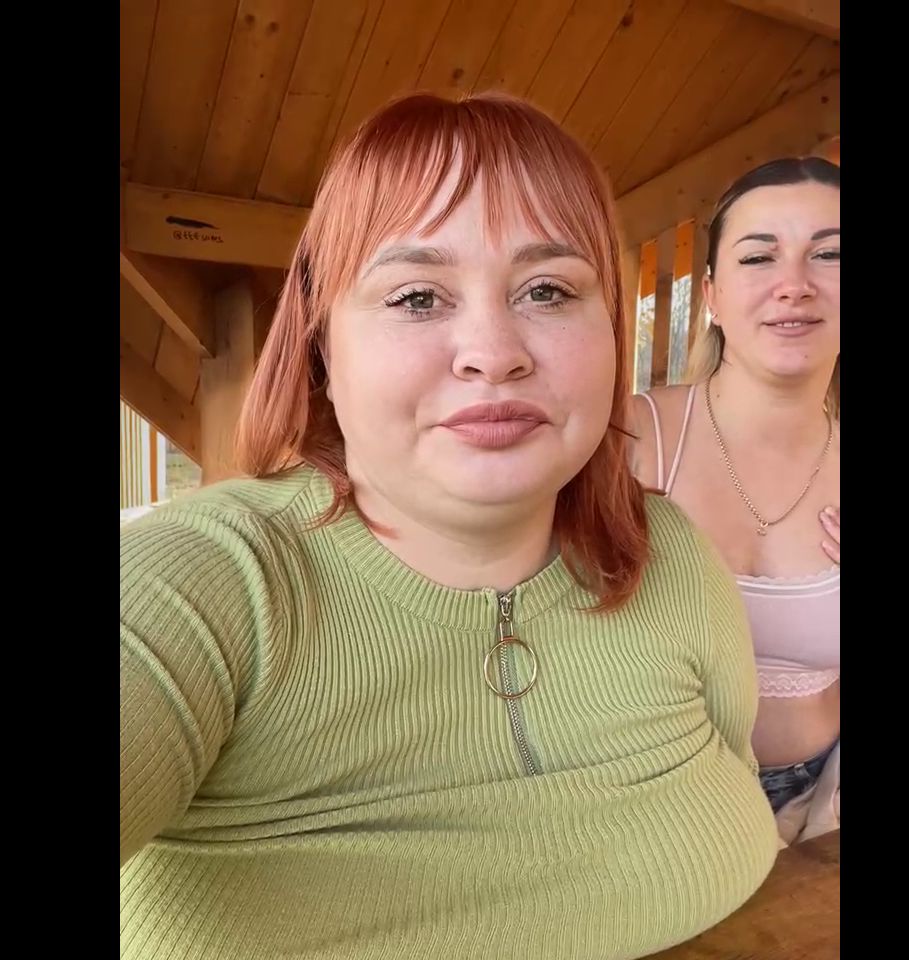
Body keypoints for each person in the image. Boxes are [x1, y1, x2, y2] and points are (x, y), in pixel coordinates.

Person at [121, 93, 778, 959]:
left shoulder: (670, 556)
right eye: (417, 297)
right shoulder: (206, 584)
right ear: (321, 349)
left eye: (548, 290)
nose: (494, 352)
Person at [627, 158, 840, 836]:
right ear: (712, 295)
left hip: (819, 807)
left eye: (830, 254)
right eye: (758, 257)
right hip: (651, 806)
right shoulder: (631, 438)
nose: (794, 285)